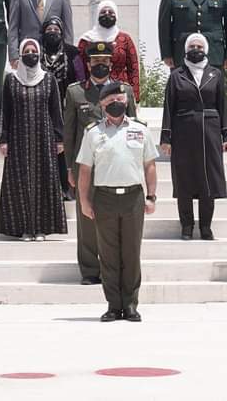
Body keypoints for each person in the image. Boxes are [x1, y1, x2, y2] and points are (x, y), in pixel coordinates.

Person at [76, 83, 158, 322]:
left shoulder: (140, 130)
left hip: (133, 197)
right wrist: (84, 201)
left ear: (126, 101)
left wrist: (151, 196)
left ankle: (130, 304)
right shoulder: (93, 132)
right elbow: (84, 170)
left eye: (120, 99)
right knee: (108, 254)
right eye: (111, 100)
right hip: (104, 198)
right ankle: (113, 305)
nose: (116, 103)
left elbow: (150, 166)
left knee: (131, 252)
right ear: (102, 105)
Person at [63, 42, 138, 285]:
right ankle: (89, 270)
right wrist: (69, 167)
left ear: (110, 63)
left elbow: (133, 129)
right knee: (86, 220)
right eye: (96, 61)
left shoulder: (124, 91)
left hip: (117, 165)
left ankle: (115, 269)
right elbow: (69, 133)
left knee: (116, 220)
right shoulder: (76, 92)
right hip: (86, 166)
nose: (100, 65)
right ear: (88, 64)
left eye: (104, 61)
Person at [160, 34, 227, 240]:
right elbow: (168, 107)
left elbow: (222, 105)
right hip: (183, 131)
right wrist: (166, 138)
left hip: (210, 132)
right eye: (192, 46)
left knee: (208, 179)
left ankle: (206, 227)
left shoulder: (215, 74)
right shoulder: (177, 75)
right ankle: (187, 226)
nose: (195, 49)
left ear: (206, 49)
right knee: (184, 180)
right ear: (185, 49)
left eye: (199, 46)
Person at [0, 39, 67, 241]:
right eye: (26, 51)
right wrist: (3, 138)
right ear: (20, 54)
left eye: (33, 50)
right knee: (20, 184)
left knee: (44, 182)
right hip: (18, 140)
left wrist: (59, 139)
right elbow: (5, 111)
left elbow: (56, 111)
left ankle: (42, 228)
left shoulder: (49, 79)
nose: (30, 54)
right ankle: (23, 229)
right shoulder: (11, 80)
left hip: (44, 140)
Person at [40, 16, 84, 200]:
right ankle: (47, 188)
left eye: (56, 30)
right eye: (49, 30)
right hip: (42, 106)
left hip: (67, 107)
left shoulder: (72, 52)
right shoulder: (36, 51)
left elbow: (81, 78)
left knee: (65, 148)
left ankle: (67, 187)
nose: (53, 33)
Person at [76, 0, 142, 102]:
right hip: (91, 92)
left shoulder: (125, 39)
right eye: (103, 12)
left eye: (111, 12)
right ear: (97, 15)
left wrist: (134, 97)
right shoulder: (86, 40)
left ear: (116, 16)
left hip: (119, 93)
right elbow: (80, 69)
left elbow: (133, 68)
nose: (107, 14)